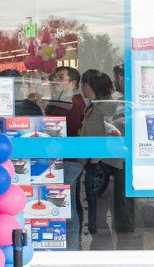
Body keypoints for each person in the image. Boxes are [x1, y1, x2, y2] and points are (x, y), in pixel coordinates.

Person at [80, 70, 135, 249]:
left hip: (102, 166)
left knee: (100, 211)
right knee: (114, 210)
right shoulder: (111, 105)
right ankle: (118, 247)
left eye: (84, 85)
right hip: (111, 164)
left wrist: (93, 160)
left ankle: (103, 249)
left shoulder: (100, 107)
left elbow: (95, 138)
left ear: (88, 86)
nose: (82, 89)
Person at [46, 66, 86, 251]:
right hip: (60, 159)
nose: (56, 80)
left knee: (65, 208)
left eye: (61, 77)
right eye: (55, 76)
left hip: (68, 160)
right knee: (66, 205)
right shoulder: (61, 101)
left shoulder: (72, 103)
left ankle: (71, 249)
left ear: (73, 83)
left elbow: (66, 131)